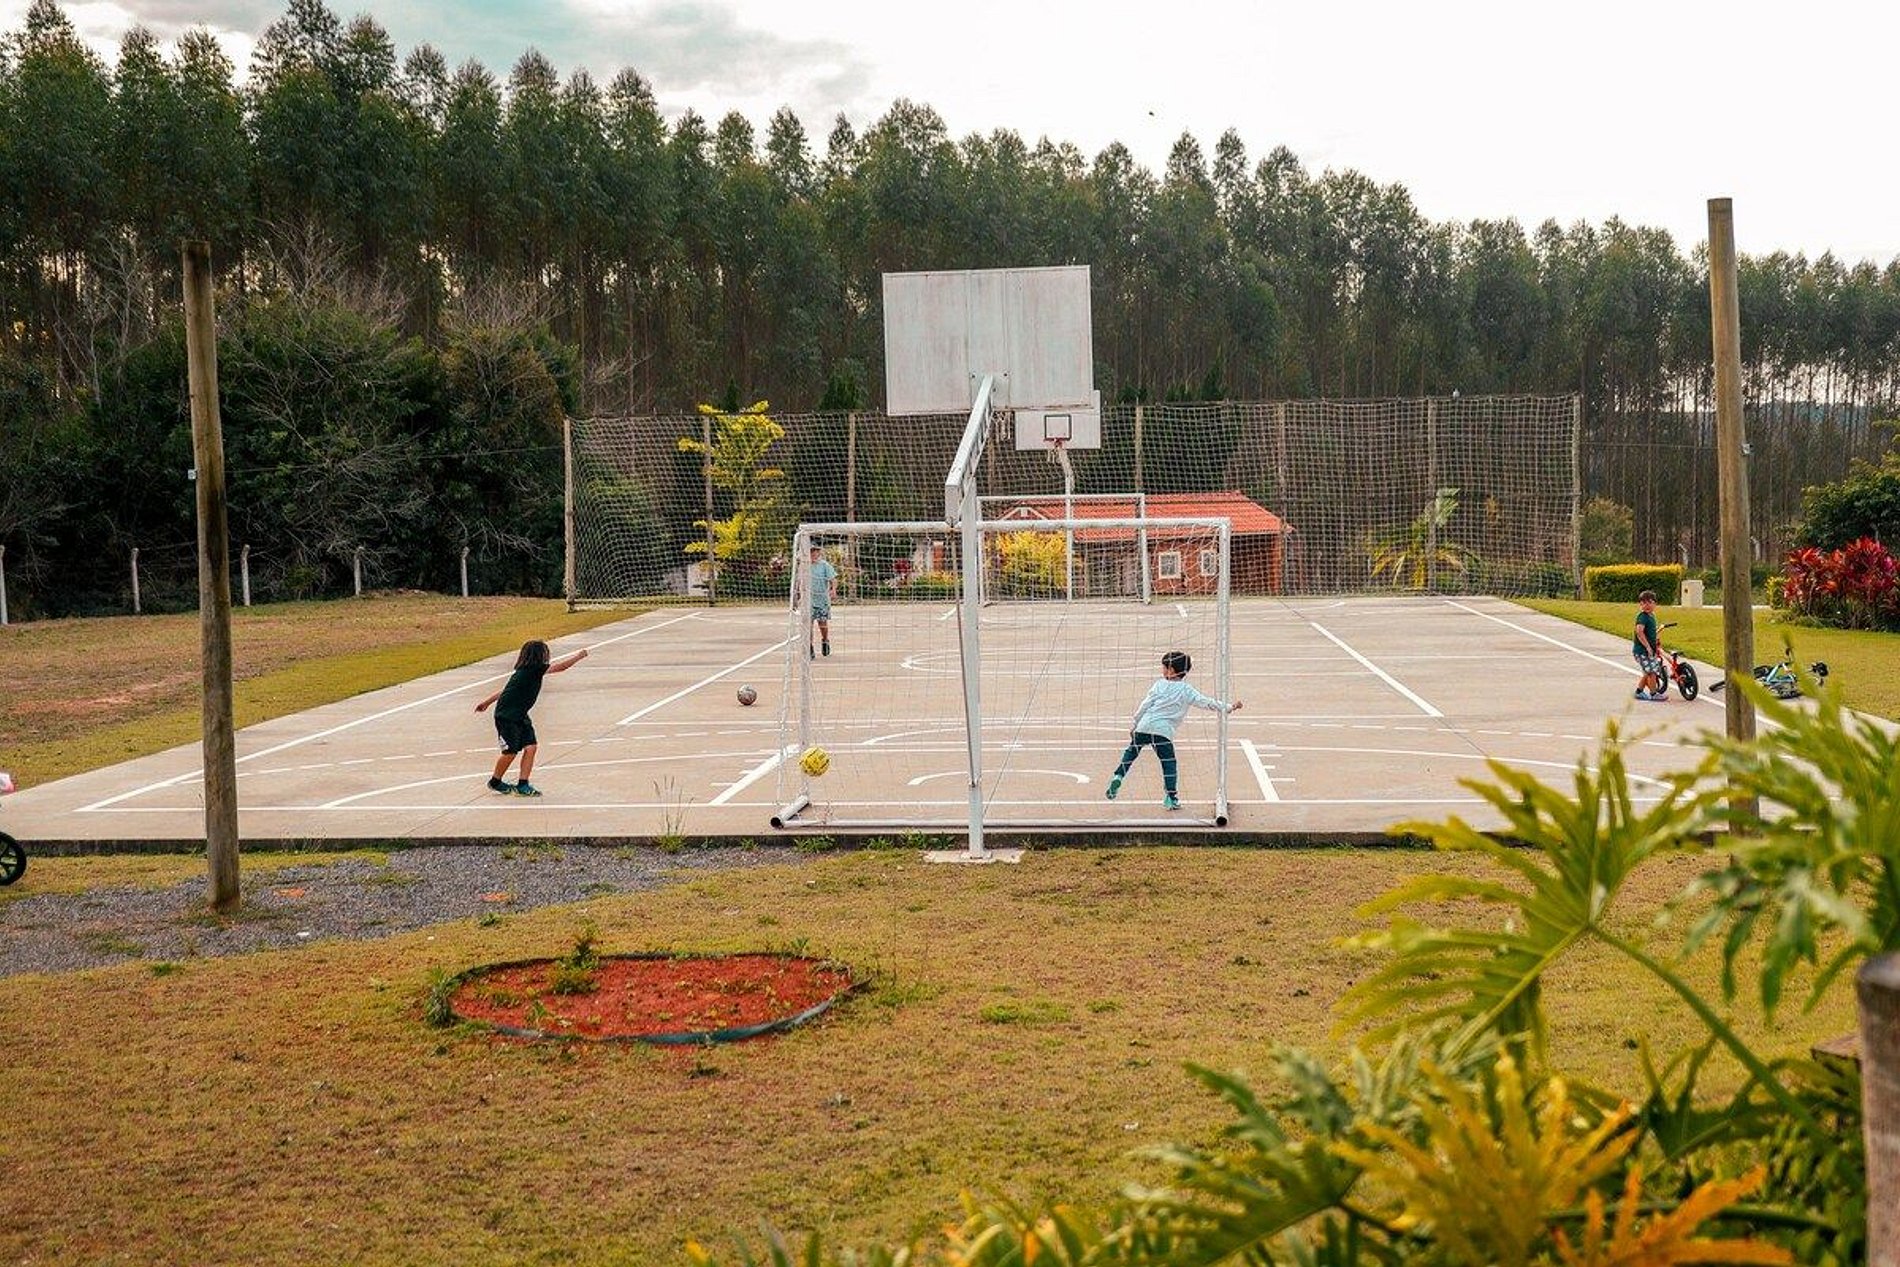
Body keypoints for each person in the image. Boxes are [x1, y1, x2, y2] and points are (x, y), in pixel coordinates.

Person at [1106, 650, 1241, 810]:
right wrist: (1228, 707)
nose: (1162, 670)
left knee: (1130, 753)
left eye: (1164, 667)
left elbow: (1145, 704)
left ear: (1171, 670)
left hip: (1144, 726)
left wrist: (1135, 723)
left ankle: (1118, 775)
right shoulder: (1186, 690)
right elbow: (1206, 702)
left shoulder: (1158, 685)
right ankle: (1171, 797)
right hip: (1163, 732)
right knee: (1168, 763)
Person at [475, 640, 589, 796]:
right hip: (507, 716)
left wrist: (487, 702)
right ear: (539, 655)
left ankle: (523, 784)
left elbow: (506, 691)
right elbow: (561, 667)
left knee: (531, 747)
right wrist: (579, 656)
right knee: (510, 752)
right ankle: (495, 781)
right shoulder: (532, 670)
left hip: (520, 715)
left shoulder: (526, 672)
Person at [1632, 589, 1666, 702]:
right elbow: (1639, 632)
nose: (1647, 605)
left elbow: (1650, 633)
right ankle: (1653, 693)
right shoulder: (1642, 616)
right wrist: (1647, 646)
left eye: (1650, 602)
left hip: (1649, 650)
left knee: (1648, 672)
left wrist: (1656, 640)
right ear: (1640, 605)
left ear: (1655, 604)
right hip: (1642, 651)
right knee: (1652, 672)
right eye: (1643, 603)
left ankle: (1639, 692)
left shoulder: (1651, 616)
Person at [807, 542, 838, 658]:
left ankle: (825, 640)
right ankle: (809, 648)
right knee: (808, 625)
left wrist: (833, 589)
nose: (813, 553)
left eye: (815, 551)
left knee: (822, 624)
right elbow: (799, 581)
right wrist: (797, 596)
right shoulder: (804, 566)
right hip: (808, 600)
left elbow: (833, 579)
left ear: (818, 552)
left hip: (822, 600)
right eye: (811, 551)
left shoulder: (824, 565)